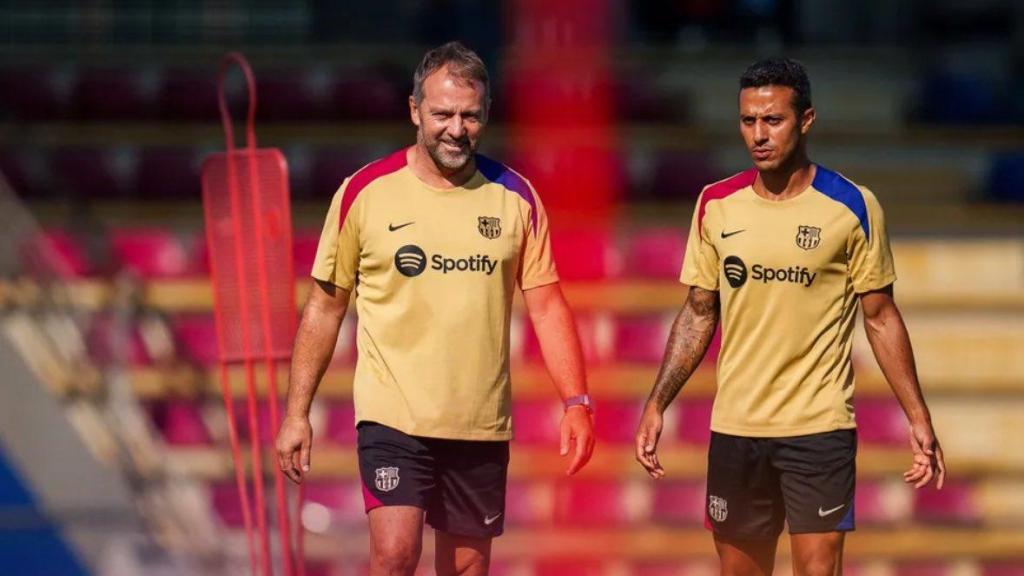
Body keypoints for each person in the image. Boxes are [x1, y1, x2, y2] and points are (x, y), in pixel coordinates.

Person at [275, 41, 595, 576]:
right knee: (395, 554)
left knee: (467, 569)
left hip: (479, 422)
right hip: (393, 416)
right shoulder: (365, 193)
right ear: (414, 110)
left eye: (470, 115)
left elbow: (546, 306)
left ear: (486, 113)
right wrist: (296, 413)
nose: (456, 129)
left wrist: (576, 401)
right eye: (443, 114)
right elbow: (325, 309)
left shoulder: (515, 197)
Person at [634, 58, 946, 576]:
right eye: (748, 121)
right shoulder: (716, 204)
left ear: (806, 120)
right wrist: (657, 402)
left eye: (773, 120)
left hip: (819, 426)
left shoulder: (853, 206)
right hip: (737, 426)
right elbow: (698, 312)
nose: (758, 135)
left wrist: (918, 416)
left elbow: (880, 316)